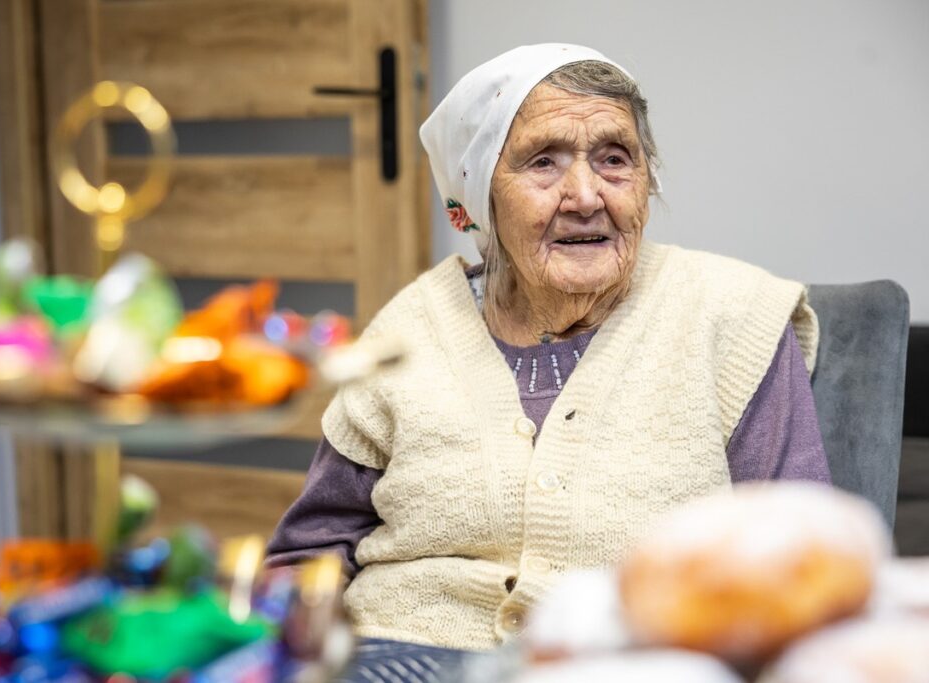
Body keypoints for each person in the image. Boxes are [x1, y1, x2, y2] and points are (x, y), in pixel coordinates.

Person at [266, 43, 830, 650]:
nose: (586, 196)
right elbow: (312, 551)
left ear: (646, 183)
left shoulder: (733, 315)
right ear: (479, 197)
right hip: (399, 652)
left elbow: (800, 557)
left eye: (615, 159)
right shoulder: (409, 330)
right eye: (543, 163)